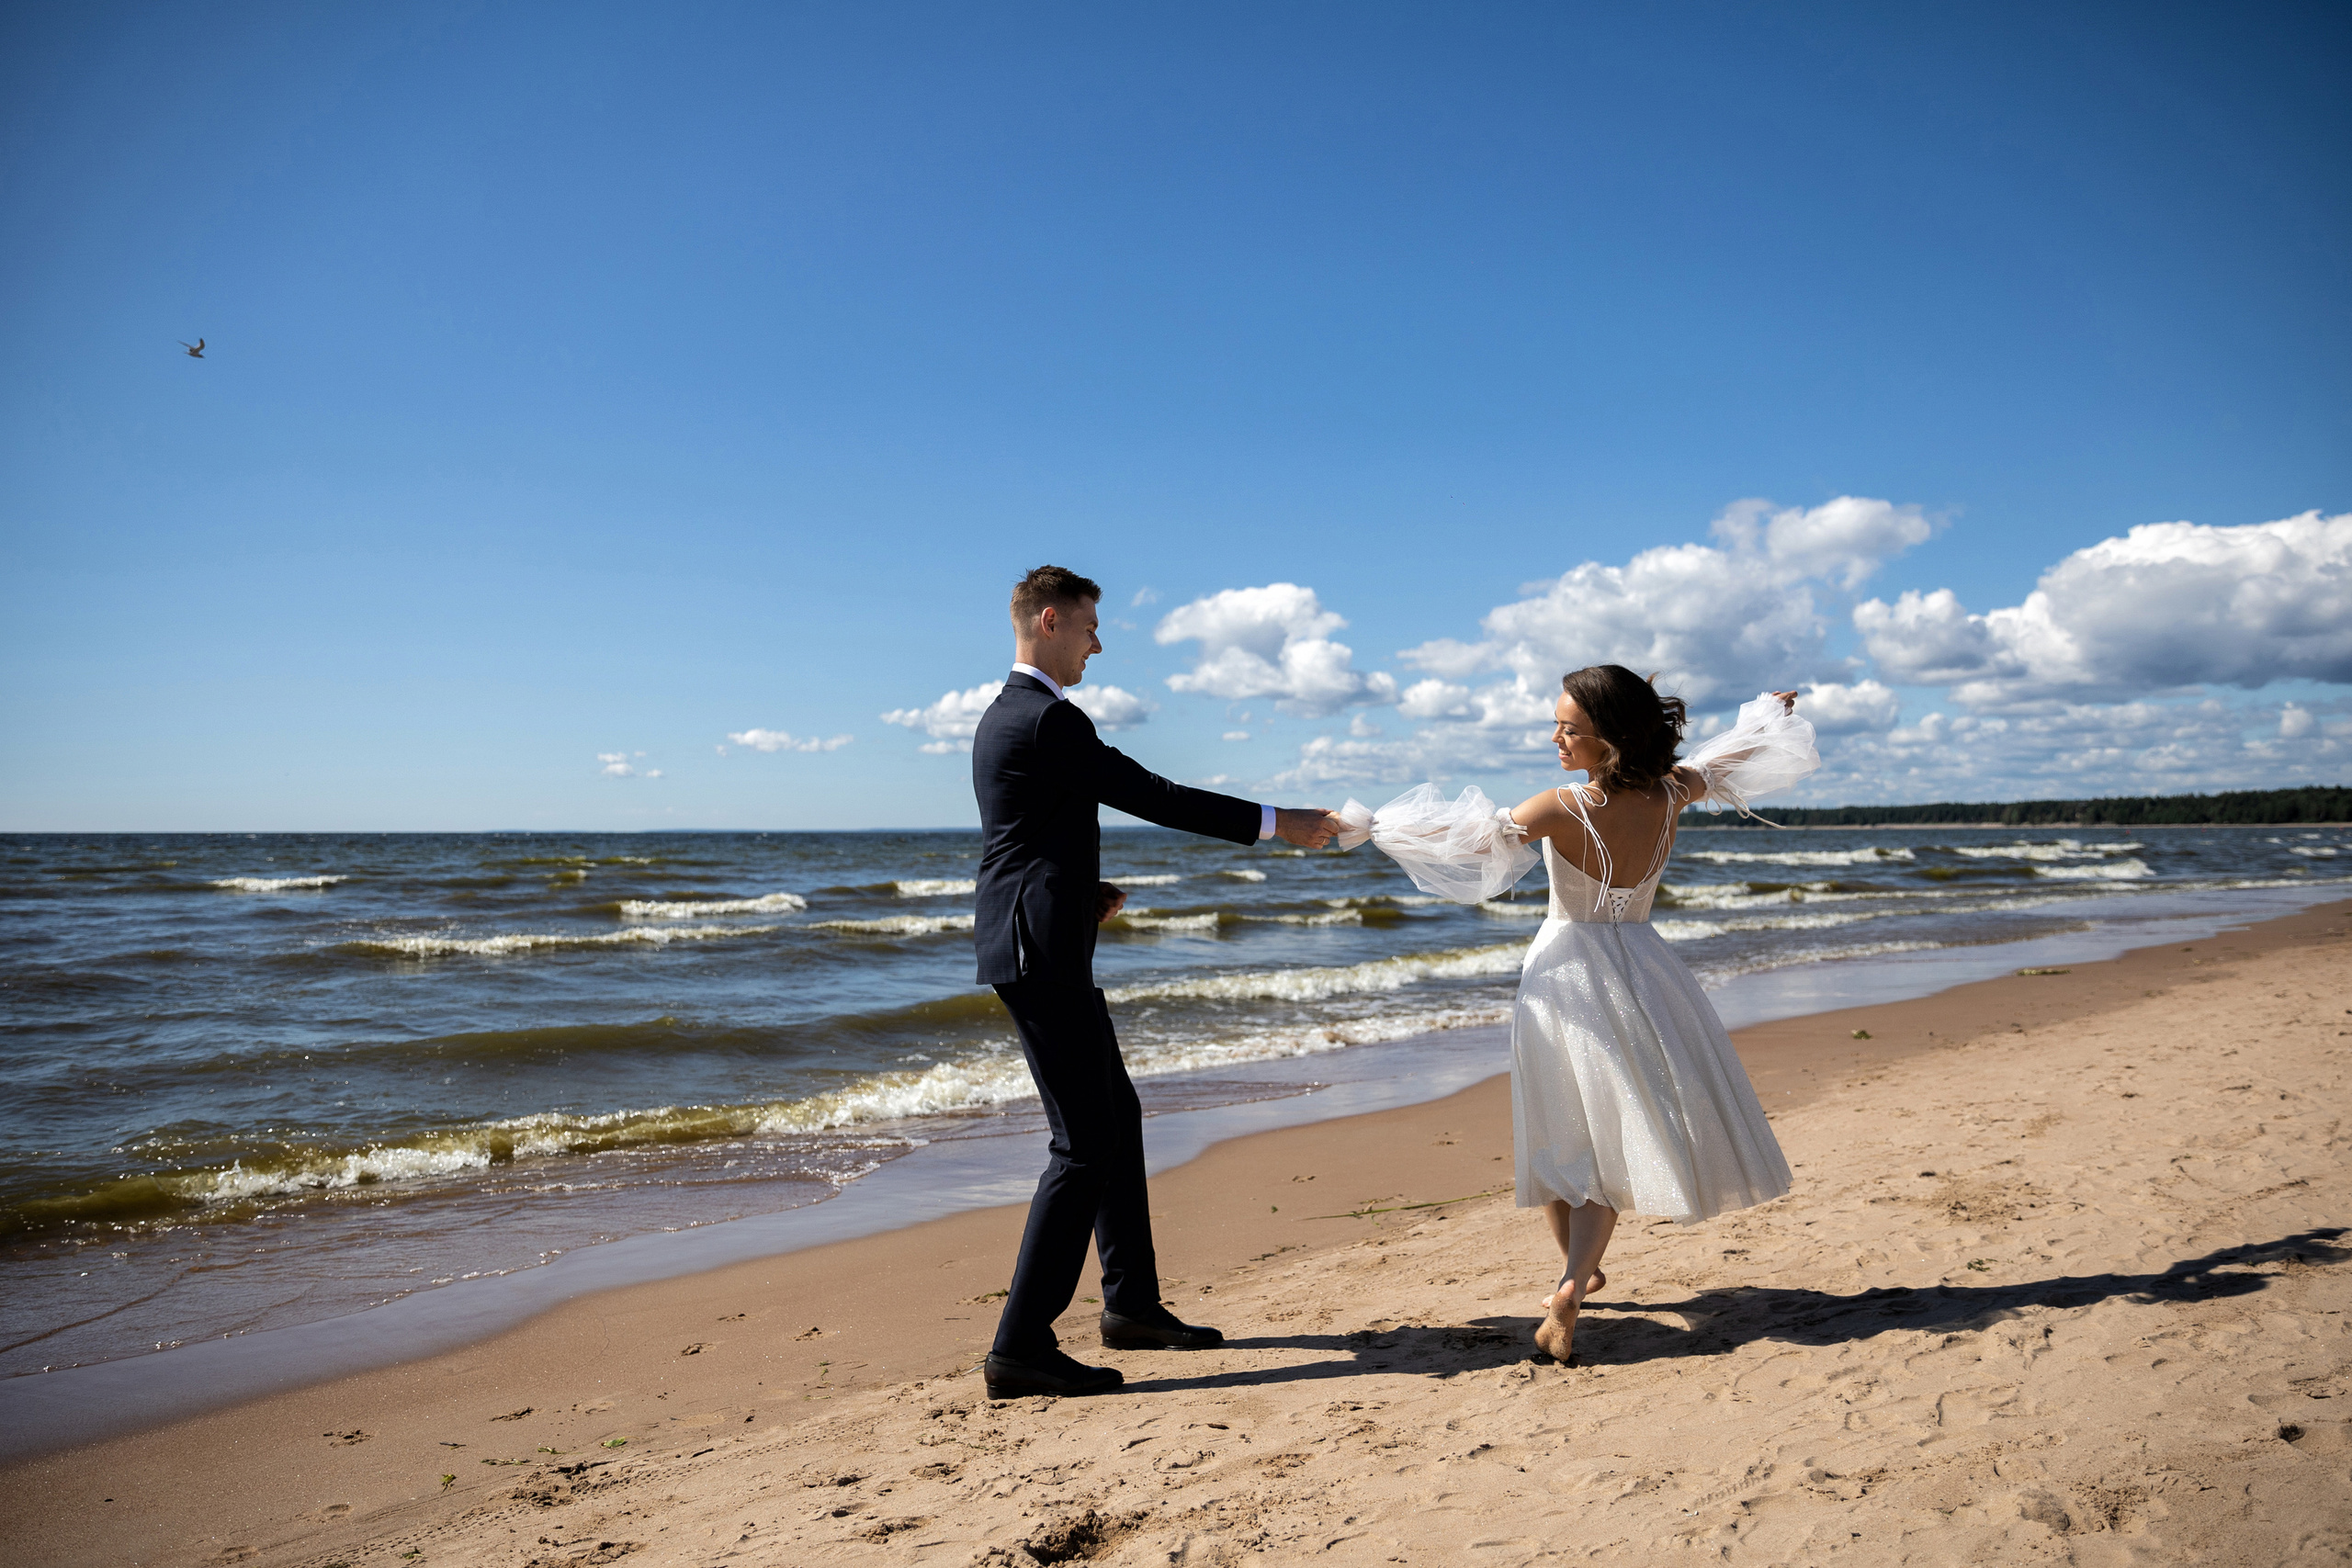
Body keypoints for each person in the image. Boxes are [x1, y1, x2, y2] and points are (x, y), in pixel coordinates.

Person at [1336, 664, 1816, 1365]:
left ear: (1611, 739)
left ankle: (1571, 1282)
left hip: (1565, 973)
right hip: (1646, 967)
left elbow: (1463, 842)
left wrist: (1369, 825)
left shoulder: (1560, 805)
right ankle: (1580, 1275)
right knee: (1615, 1130)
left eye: (1571, 728)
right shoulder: (1670, 791)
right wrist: (1766, 716)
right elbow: (1726, 758)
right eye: (1557, 723)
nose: (1556, 737)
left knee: (1563, 1125)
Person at [973, 565, 1343, 1399]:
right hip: (1037, 953)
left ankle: (1131, 1307)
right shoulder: (1043, 718)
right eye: (1091, 627)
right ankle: (1020, 1348)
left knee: (1117, 1119)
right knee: (1082, 1144)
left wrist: (1080, 892)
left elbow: (1026, 835)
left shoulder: (1016, 718)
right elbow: (1149, 792)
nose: (1098, 644)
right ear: (1049, 619)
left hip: (1042, 937)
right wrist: (1277, 822)